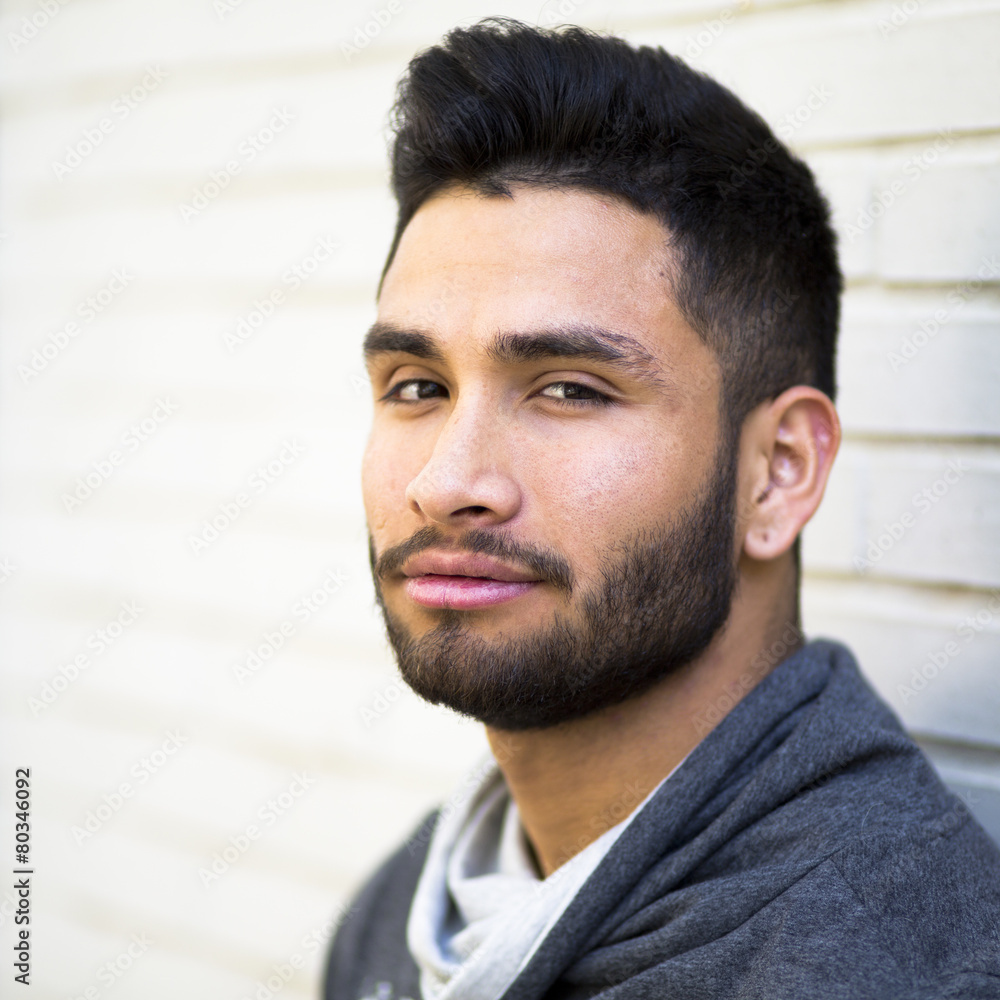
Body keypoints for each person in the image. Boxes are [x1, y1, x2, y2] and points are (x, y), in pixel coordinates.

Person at [324, 16, 1000, 1000]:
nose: (446, 480)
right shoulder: (403, 913)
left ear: (776, 473)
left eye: (569, 389)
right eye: (418, 386)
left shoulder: (894, 970)